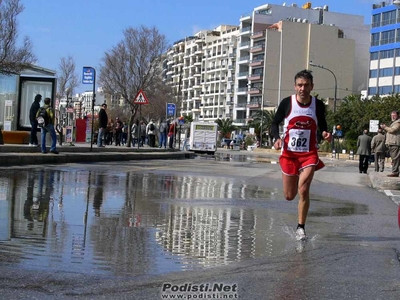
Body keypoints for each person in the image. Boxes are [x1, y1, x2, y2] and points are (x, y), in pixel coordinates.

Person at [271, 69, 331, 241]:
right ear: (295, 86)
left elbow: (323, 126)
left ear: (312, 86)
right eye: (299, 85)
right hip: (289, 154)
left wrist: (326, 133)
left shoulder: (317, 104)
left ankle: (301, 227)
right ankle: (296, 178)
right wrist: (276, 139)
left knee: (304, 190)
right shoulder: (287, 103)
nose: (302, 88)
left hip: (309, 154)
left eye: (306, 85)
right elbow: (274, 123)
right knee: (289, 196)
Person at [381, 110, 400, 177]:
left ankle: (395, 172)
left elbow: (392, 130)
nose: (393, 116)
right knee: (394, 158)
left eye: (394, 115)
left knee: (395, 158)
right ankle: (395, 171)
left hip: (395, 143)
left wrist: (385, 127)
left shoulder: (398, 123)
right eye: (392, 115)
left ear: (398, 115)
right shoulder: (393, 123)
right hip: (391, 143)